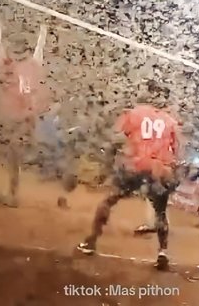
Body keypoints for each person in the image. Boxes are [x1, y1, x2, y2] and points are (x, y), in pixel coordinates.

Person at [77, 103, 183, 270]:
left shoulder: (134, 113)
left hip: (136, 165)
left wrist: (108, 167)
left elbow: (116, 140)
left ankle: (91, 241)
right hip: (159, 169)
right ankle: (163, 252)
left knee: (109, 200)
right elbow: (176, 153)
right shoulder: (170, 121)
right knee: (160, 212)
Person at [0, 18, 50, 208]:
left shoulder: (8, 64)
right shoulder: (31, 65)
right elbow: (39, 50)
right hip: (21, 120)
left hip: (9, 119)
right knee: (13, 159)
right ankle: (10, 195)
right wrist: (43, 31)